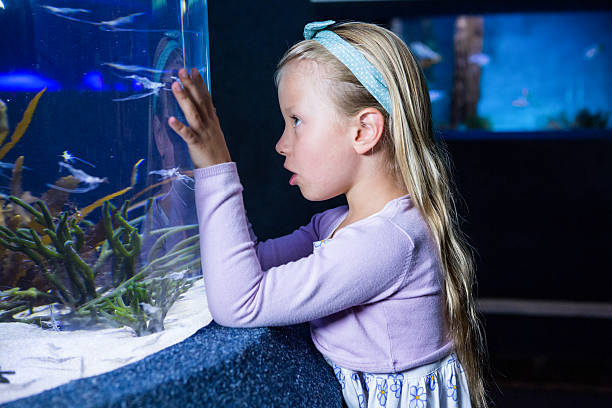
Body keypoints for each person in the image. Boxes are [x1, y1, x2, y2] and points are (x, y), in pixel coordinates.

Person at [169, 20, 488, 408]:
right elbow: (247, 265)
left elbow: (239, 302)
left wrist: (216, 168)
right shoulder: (336, 223)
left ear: (364, 131)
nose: (281, 144)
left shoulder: (384, 243)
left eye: (297, 121)